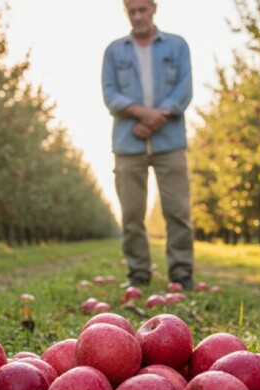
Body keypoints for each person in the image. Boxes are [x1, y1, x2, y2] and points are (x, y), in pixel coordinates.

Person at [101, 0, 195, 290]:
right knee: (131, 213)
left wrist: (156, 119)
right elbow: (110, 94)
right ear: (126, 12)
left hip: (170, 142)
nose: (138, 16)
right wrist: (144, 115)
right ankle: (138, 272)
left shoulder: (177, 46)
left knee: (177, 210)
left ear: (154, 8)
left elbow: (184, 89)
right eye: (132, 11)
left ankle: (181, 273)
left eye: (143, 9)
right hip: (129, 144)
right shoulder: (114, 51)